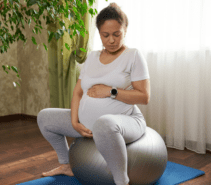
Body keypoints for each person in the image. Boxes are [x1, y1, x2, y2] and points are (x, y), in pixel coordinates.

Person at [37, 2, 150, 185]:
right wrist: (75, 122)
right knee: (44, 118)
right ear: (99, 33)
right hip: (87, 124)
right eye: (105, 35)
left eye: (116, 34)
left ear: (125, 30)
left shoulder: (133, 56)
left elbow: (144, 97)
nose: (111, 40)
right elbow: (77, 93)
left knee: (104, 124)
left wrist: (110, 91)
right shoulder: (91, 58)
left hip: (125, 121)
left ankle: (122, 182)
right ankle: (66, 165)